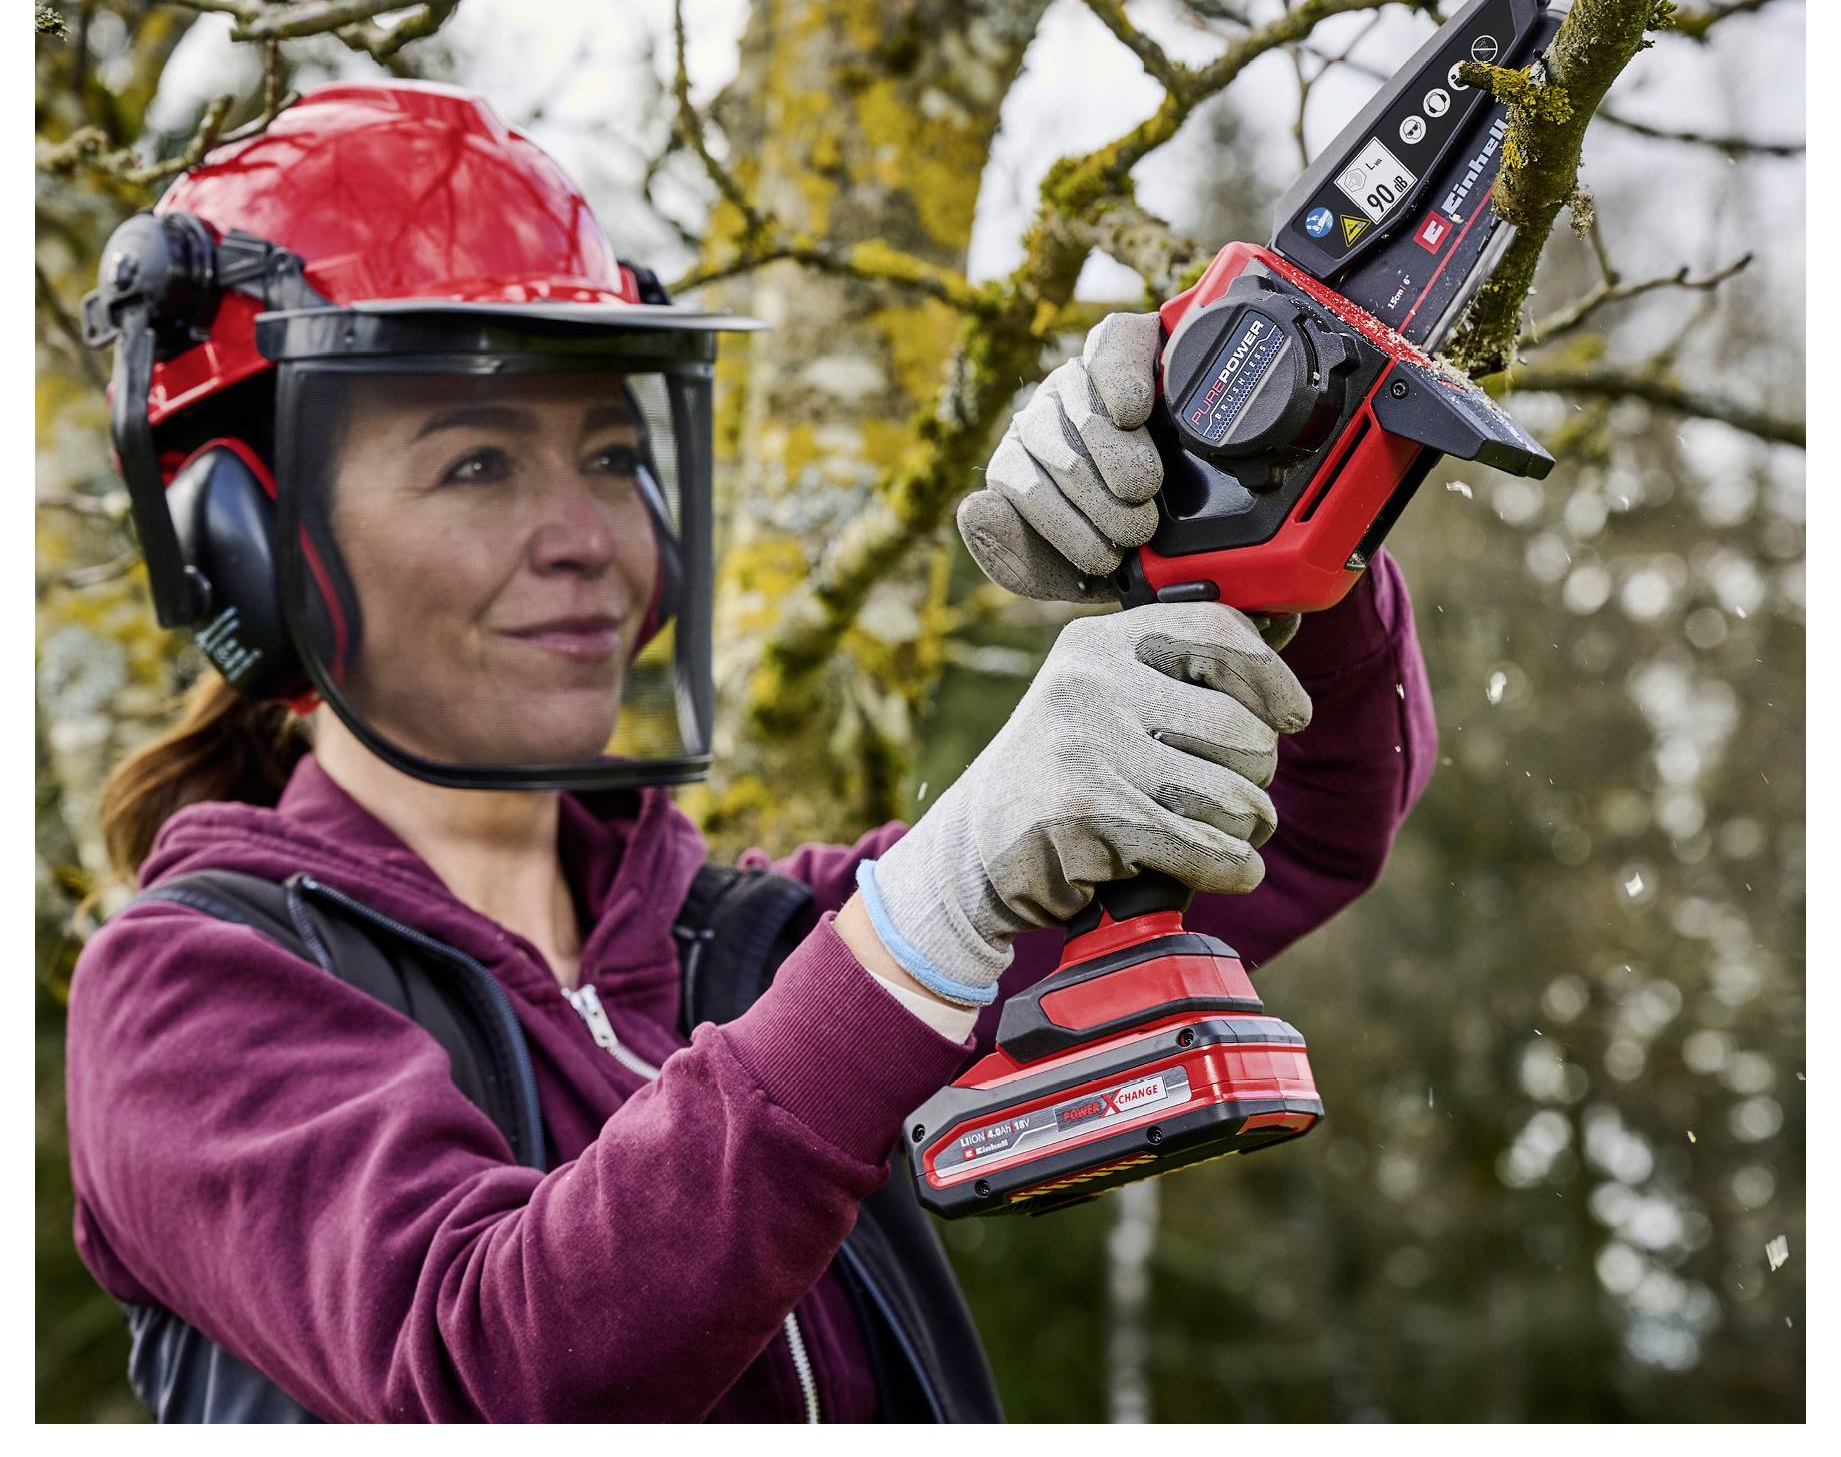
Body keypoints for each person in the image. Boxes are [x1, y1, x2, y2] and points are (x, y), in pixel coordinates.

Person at [62, 80, 1436, 1423]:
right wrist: (930, 912)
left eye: (614, 458)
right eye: (478, 464)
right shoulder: (189, 990)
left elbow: (1307, 823)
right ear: (243, 541)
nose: (589, 540)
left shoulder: (757, 948)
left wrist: (1245, 516)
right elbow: (491, 1372)